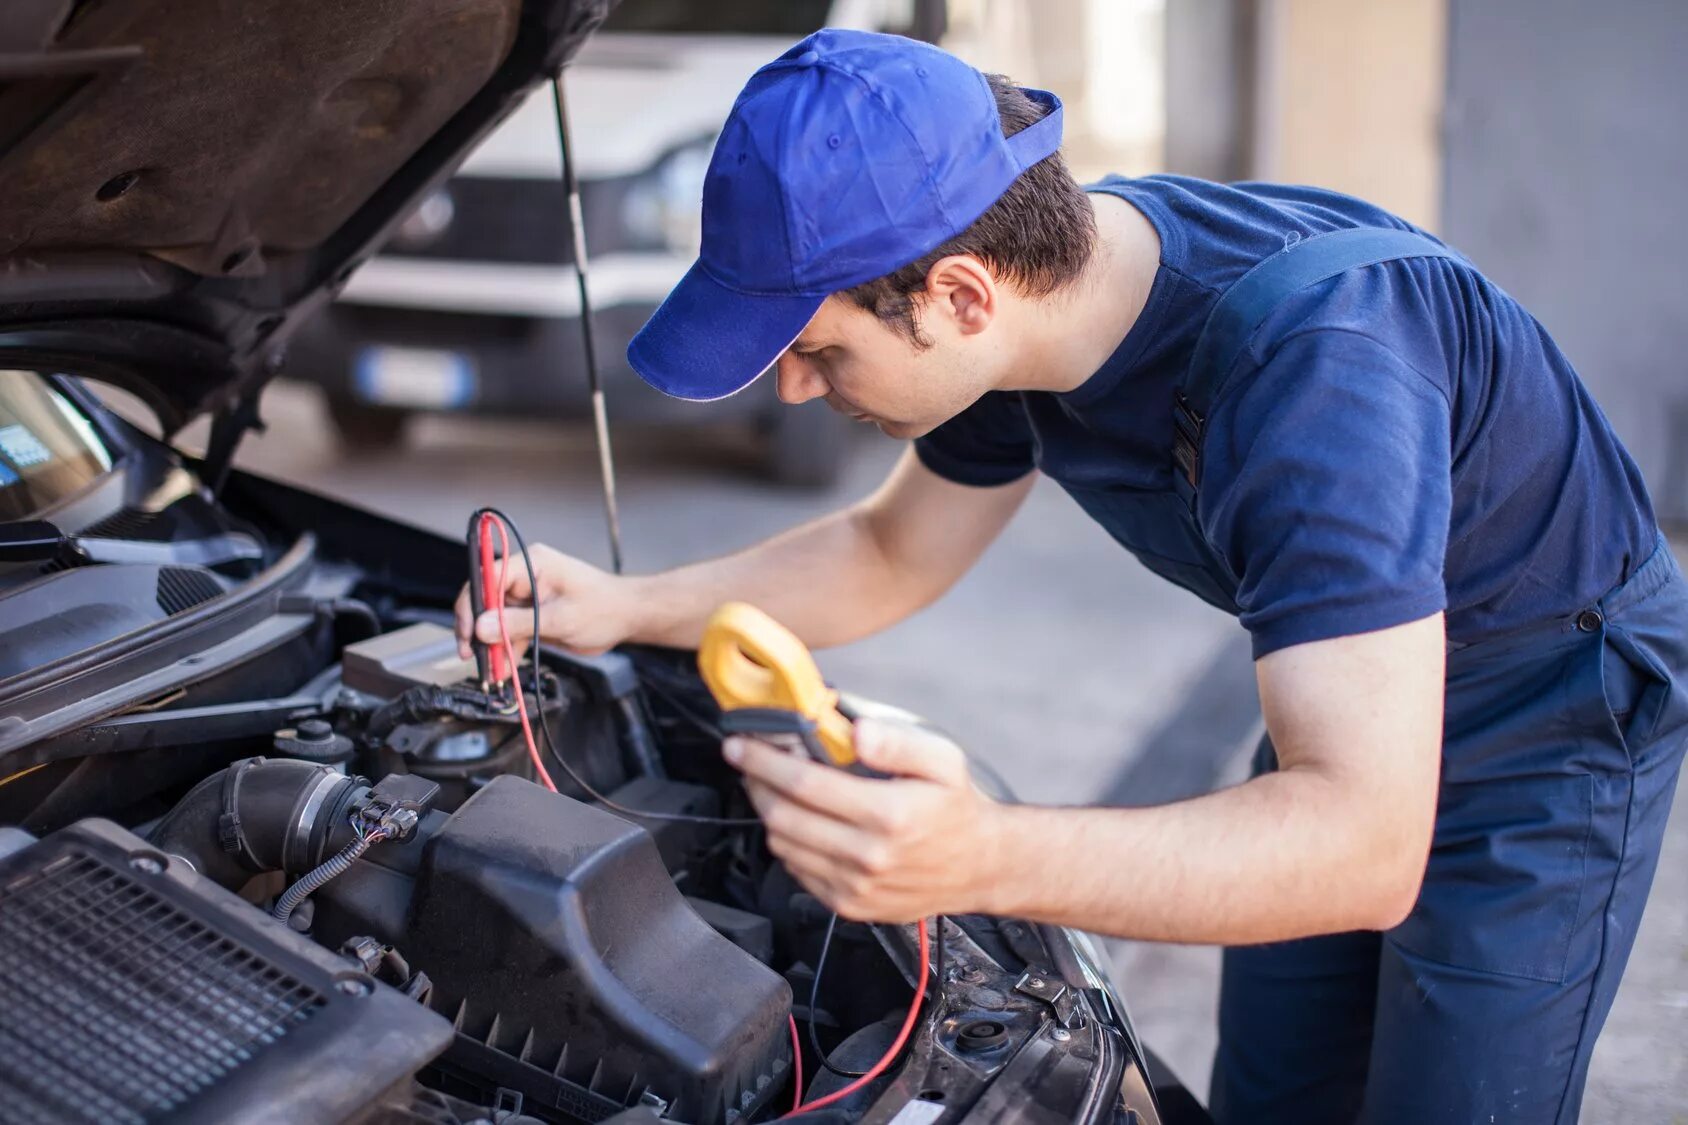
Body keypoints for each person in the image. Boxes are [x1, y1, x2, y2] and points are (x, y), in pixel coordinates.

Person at [454, 29, 1687, 1125]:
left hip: (1546, 711)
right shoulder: (1033, 320)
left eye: (816, 347)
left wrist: (979, 855)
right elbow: (888, 551)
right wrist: (616, 606)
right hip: (1352, 692)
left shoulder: (1317, 374)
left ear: (957, 294)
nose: (790, 386)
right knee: (1282, 1092)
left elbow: (1362, 843)